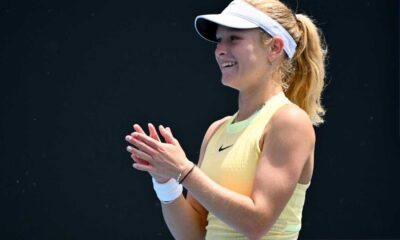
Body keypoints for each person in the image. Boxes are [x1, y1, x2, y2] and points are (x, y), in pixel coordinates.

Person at [125, 0, 327, 239]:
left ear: (274, 48)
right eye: (219, 40)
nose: (220, 49)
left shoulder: (289, 121)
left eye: (234, 38)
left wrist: (185, 171)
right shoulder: (216, 130)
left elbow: (257, 223)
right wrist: (166, 181)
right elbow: (194, 235)